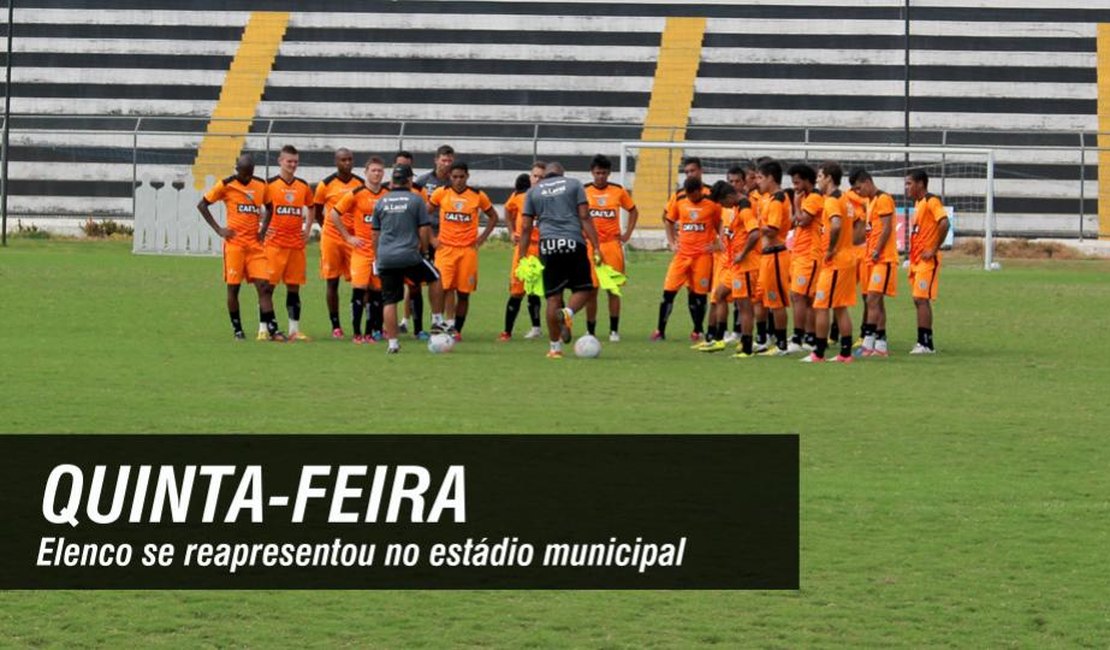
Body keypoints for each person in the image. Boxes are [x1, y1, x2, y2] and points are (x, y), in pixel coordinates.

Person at [517, 162, 602, 359]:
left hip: (548, 245)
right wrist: (596, 245)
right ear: (562, 173)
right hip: (573, 242)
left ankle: (555, 349)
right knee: (584, 289)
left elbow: (527, 227)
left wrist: (522, 254)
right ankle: (568, 313)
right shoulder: (574, 184)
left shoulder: (533, 191)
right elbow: (584, 215)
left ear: (545, 175)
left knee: (553, 297)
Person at [196, 154, 285, 341]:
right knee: (233, 289)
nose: (247, 178)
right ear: (238, 170)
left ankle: (273, 329)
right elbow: (202, 204)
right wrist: (219, 229)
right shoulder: (226, 184)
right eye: (244, 174)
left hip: (254, 246)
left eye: (250, 174)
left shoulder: (261, 185)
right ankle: (238, 330)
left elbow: (270, 207)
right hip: (235, 246)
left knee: (264, 286)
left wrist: (263, 230)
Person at [372, 164, 447, 354]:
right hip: (408, 255)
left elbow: (375, 234)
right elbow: (423, 229)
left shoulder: (381, 202)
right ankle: (437, 319)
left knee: (389, 301)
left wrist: (377, 257)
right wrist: (424, 252)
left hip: (386, 257)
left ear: (392, 181)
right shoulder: (416, 200)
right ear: (409, 181)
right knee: (435, 277)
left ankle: (393, 344)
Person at [427, 161, 499, 341]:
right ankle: (439, 324)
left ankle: (456, 329)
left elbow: (493, 217)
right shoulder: (441, 193)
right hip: (445, 249)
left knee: (464, 293)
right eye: (454, 177)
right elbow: (423, 214)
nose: (458, 180)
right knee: (442, 289)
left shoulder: (477, 195)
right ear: (449, 177)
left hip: (467, 251)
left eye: (461, 177)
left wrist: (481, 239)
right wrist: (432, 239)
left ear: (467, 176)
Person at [652, 177, 722, 342]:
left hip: (702, 256)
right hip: (682, 255)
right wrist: (671, 242)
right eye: (688, 195)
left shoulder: (712, 203)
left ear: (700, 191)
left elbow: (721, 223)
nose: (690, 198)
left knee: (699, 295)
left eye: (693, 195)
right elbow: (668, 221)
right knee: (668, 292)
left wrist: (719, 243)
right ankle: (660, 331)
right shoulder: (680, 200)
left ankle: (697, 330)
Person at [803, 162, 857, 364]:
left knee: (821, 305)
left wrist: (831, 248)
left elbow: (835, 225)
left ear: (828, 178)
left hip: (836, 261)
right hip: (846, 258)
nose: (817, 180)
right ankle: (845, 353)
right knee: (840, 307)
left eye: (819, 177)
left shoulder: (832, 201)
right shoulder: (846, 199)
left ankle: (818, 353)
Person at [258, 145, 314, 341]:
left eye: (296, 162)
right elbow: (258, 205)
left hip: (295, 246)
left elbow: (311, 207)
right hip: (274, 244)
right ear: (280, 161)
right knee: (268, 288)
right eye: (289, 161)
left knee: (294, 287)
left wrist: (306, 230)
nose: (293, 165)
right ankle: (263, 328)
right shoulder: (269, 184)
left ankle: (293, 330)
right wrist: (263, 228)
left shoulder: (303, 186)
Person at [332, 157, 390, 344]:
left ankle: (370, 332)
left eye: (380, 171)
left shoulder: (387, 195)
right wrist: (348, 237)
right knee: (359, 291)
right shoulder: (356, 193)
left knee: (376, 294)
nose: (377, 174)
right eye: (373, 170)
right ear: (366, 172)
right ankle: (357, 334)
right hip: (361, 251)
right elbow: (334, 214)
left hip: (380, 253)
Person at [584, 154, 638, 342]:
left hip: (611, 246)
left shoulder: (618, 191)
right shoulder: (583, 191)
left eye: (604, 173)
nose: (600, 176)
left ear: (609, 173)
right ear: (592, 172)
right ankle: (590, 331)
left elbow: (633, 210)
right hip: (591, 246)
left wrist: (627, 235)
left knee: (613, 289)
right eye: (597, 173)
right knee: (591, 290)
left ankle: (614, 331)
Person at [313, 148, 364, 339]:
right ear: (336, 161)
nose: (347, 163)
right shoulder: (325, 185)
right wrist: (327, 228)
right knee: (332, 281)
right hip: (332, 239)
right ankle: (336, 325)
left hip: (354, 238)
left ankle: (361, 323)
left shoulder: (359, 183)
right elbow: (318, 210)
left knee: (360, 282)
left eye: (350, 159)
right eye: (343, 160)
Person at [850, 169, 898, 357]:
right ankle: (880, 345)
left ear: (868, 182)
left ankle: (868, 343)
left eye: (859, 187)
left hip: (883, 258)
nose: (858, 192)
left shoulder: (884, 199)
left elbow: (887, 227)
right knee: (876, 302)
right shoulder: (870, 202)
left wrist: (877, 250)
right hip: (873, 258)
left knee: (872, 299)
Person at [905, 169, 949, 355]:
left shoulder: (932, 201)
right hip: (917, 259)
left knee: (920, 299)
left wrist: (933, 248)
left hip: (928, 260)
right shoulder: (919, 203)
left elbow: (945, 223)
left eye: (909, 183)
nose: (906, 187)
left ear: (920, 184)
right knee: (919, 300)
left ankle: (925, 344)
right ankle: (925, 341)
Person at [697, 181, 742, 352]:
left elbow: (753, 234)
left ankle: (749, 340)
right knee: (717, 297)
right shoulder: (729, 210)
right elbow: (725, 235)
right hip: (727, 261)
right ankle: (716, 337)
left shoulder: (745, 208)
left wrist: (742, 253)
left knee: (747, 303)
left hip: (741, 262)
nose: (721, 206)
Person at [499, 172, 544, 341]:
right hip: (523, 248)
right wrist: (511, 232)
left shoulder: (548, 196)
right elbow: (507, 209)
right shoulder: (519, 196)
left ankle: (540, 328)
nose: (538, 179)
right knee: (517, 290)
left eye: (541, 177)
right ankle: (507, 332)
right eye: (535, 176)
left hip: (543, 248)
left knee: (543, 291)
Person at [755, 159, 793, 355]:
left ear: (770, 178)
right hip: (766, 257)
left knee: (776, 301)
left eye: (760, 177)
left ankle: (781, 345)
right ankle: (762, 340)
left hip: (776, 256)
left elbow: (772, 230)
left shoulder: (778, 199)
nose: (757, 181)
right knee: (760, 299)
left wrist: (753, 228)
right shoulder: (769, 199)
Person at [787, 163, 823, 353]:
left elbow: (803, 220)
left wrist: (796, 205)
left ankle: (798, 337)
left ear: (808, 180)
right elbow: (795, 222)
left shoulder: (814, 198)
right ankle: (810, 336)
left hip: (809, 256)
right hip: (800, 253)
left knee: (799, 296)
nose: (795, 187)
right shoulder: (807, 198)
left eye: (798, 182)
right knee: (804, 298)